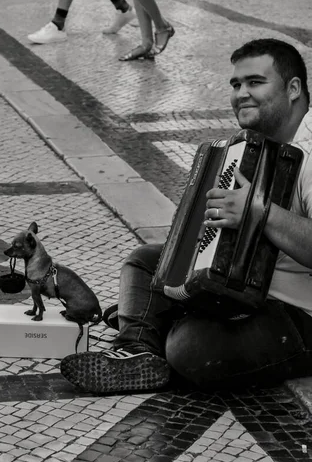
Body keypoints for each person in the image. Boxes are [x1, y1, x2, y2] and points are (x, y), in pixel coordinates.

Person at [60, 38, 312, 394]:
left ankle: (150, 326)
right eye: (236, 84)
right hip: (250, 286)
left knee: (190, 349)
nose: (242, 93)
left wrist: (261, 213)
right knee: (148, 261)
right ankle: (135, 351)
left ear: (294, 88)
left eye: (255, 82)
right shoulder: (262, 146)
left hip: (301, 312)